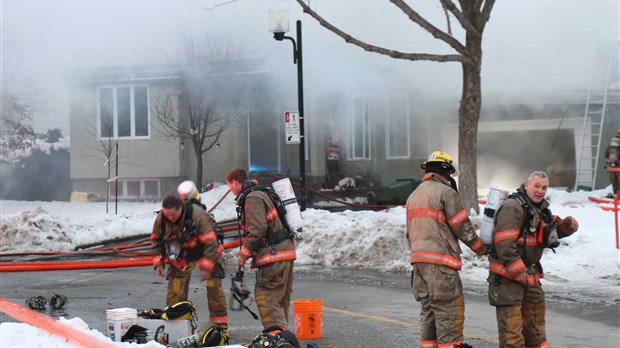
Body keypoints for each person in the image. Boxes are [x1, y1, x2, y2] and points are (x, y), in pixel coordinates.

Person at [487, 171, 579, 348]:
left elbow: (548, 233)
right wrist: (517, 269)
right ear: (526, 185)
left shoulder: (540, 209)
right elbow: (504, 243)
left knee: (536, 333)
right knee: (512, 336)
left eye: (544, 187)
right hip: (508, 280)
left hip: (530, 276)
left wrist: (566, 227)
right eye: (536, 186)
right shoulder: (512, 207)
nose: (540, 191)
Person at [405, 151, 486, 348]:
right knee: (449, 311)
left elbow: (409, 233)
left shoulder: (413, 195)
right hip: (440, 265)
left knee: (429, 312)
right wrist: (481, 248)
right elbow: (462, 227)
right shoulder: (446, 193)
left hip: (419, 265)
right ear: (446, 171)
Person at [150, 191, 229, 342]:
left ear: (181, 208)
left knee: (214, 288)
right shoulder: (162, 218)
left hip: (204, 252)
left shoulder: (197, 216)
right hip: (181, 255)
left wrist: (206, 268)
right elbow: (155, 240)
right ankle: (176, 327)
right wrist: (158, 262)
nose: (170, 219)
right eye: (168, 216)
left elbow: (211, 243)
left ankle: (220, 329)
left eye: (173, 215)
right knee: (175, 290)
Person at [226, 167, 297, 330]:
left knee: (268, 299)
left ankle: (277, 339)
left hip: (274, 256)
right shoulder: (261, 193)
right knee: (279, 302)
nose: (230, 190)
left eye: (230, 185)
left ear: (236, 183)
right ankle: (283, 338)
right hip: (285, 253)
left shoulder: (252, 198)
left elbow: (258, 230)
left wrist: (244, 254)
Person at [605, 130, 620, 198]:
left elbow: (606, 154)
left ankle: (616, 198)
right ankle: (618, 199)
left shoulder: (612, 142)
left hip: (612, 167)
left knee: (615, 184)